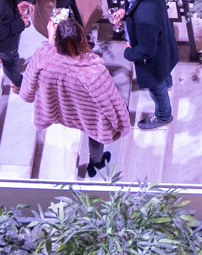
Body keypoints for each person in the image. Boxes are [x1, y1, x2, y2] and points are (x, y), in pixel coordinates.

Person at [20, 15, 127, 178]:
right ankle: (96, 163)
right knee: (96, 135)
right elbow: (111, 104)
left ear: (56, 40)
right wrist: (121, 121)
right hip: (89, 115)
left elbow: (27, 93)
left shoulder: (42, 57)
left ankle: (96, 162)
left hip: (63, 111)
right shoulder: (94, 73)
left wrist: (50, 42)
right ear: (83, 39)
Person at [117, 0, 177, 127]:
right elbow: (134, 1)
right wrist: (124, 10)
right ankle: (167, 82)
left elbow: (146, 51)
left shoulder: (145, 19)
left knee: (156, 86)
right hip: (164, 40)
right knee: (164, 67)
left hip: (154, 57)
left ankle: (164, 116)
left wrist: (128, 52)